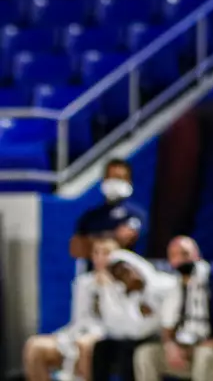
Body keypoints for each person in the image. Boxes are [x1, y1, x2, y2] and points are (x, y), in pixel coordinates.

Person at [134, 236, 213, 381]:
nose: (180, 260)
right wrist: (170, 346)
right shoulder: (174, 285)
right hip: (188, 344)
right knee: (145, 353)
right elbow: (167, 322)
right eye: (174, 256)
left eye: (184, 254)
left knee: (204, 354)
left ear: (196, 254)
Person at [23, 238, 116, 381]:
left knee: (85, 346)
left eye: (106, 253)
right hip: (78, 332)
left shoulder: (122, 285)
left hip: (107, 337)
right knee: (34, 346)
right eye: (96, 253)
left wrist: (106, 289)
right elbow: (79, 319)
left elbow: (117, 321)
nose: (100, 258)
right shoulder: (83, 282)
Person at [93, 250, 176, 381]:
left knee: (128, 351)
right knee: (102, 347)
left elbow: (162, 320)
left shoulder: (164, 284)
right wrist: (106, 290)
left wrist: (149, 313)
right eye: (119, 275)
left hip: (164, 336)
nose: (127, 276)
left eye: (126, 270)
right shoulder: (127, 296)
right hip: (140, 335)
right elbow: (116, 326)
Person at [71, 159, 146, 261]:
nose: (114, 182)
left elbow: (124, 238)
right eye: (111, 177)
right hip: (94, 273)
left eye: (119, 178)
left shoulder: (136, 214)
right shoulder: (91, 216)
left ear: (128, 181)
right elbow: (76, 248)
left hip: (125, 272)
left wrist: (93, 239)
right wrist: (112, 236)